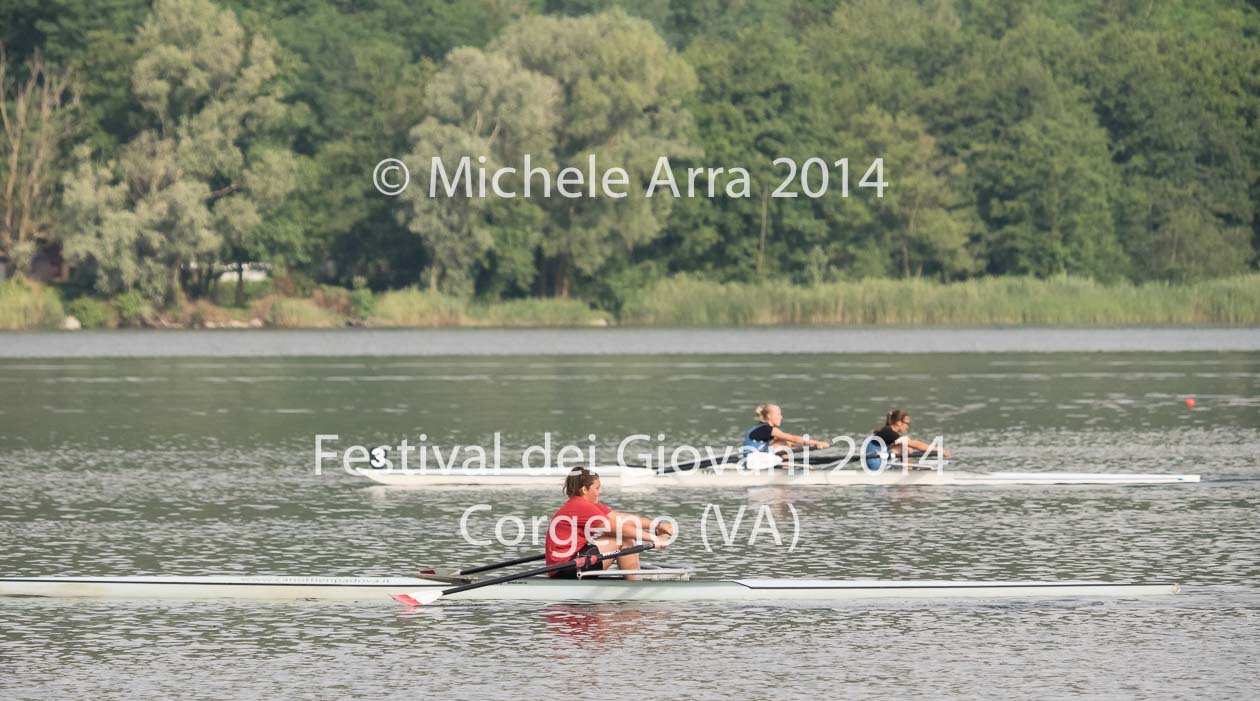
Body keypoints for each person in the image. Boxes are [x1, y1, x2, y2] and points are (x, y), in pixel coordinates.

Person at [545, 468, 673, 580]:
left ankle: (634, 583)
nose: (600, 492)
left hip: (570, 562)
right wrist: (655, 539)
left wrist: (657, 526)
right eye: (597, 488)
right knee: (623, 537)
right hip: (565, 568)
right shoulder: (580, 506)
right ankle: (635, 586)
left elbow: (624, 519)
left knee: (625, 536)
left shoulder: (588, 505)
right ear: (584, 489)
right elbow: (621, 529)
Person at [864, 409, 949, 469]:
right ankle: (908, 472)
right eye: (907, 423)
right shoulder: (889, 432)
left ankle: (906, 469)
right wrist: (937, 449)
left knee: (906, 446)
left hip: (879, 459)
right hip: (875, 464)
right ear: (899, 422)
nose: (908, 426)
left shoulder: (889, 431)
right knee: (907, 448)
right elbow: (916, 445)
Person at [742, 404, 830, 457]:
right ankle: (786, 469)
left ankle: (784, 467)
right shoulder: (767, 429)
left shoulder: (760, 427)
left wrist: (812, 446)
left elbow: (792, 442)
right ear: (769, 416)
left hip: (754, 457)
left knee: (784, 442)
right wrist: (817, 443)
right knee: (785, 443)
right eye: (778, 414)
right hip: (754, 460)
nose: (781, 417)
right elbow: (792, 438)